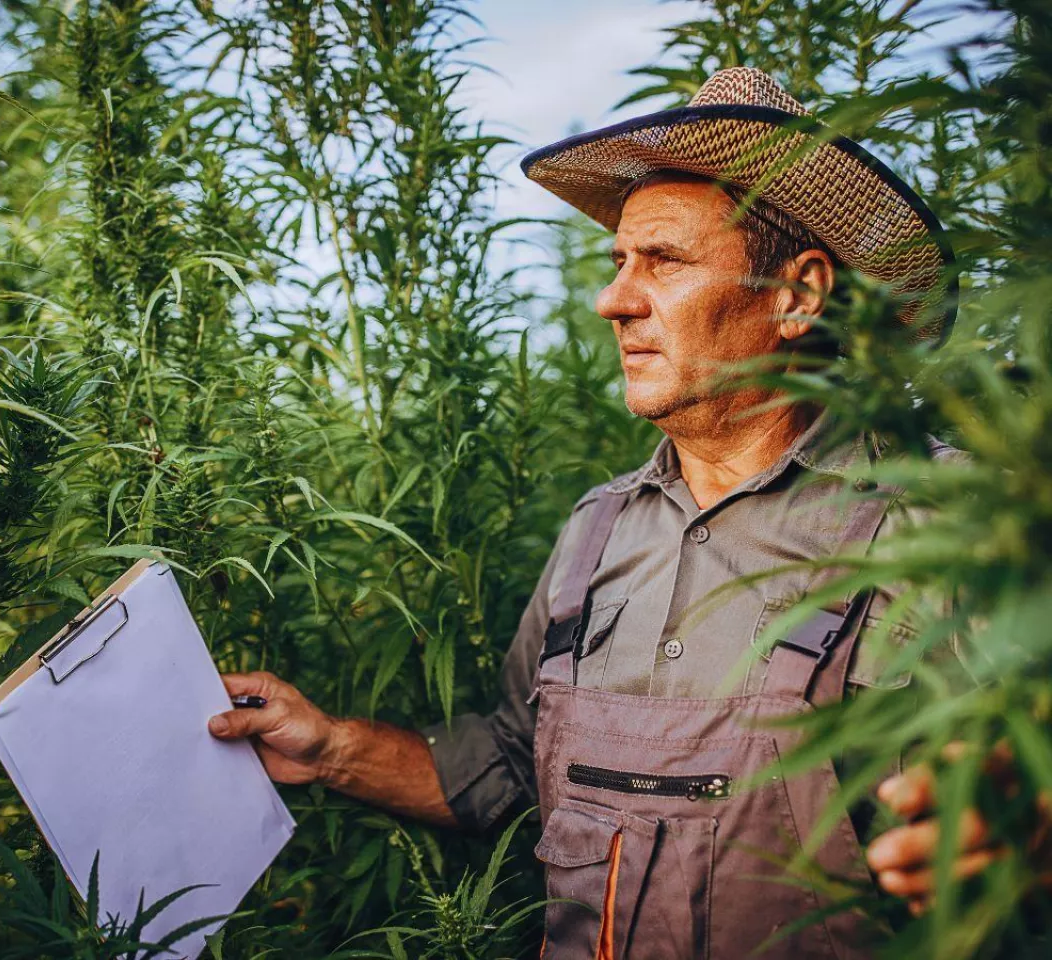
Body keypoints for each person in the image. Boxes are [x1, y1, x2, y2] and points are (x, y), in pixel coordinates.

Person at [208, 68, 986, 958]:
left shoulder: (946, 523)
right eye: (618, 262)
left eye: (665, 261)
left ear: (798, 297)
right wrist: (330, 751)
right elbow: (513, 762)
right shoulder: (599, 531)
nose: (614, 300)